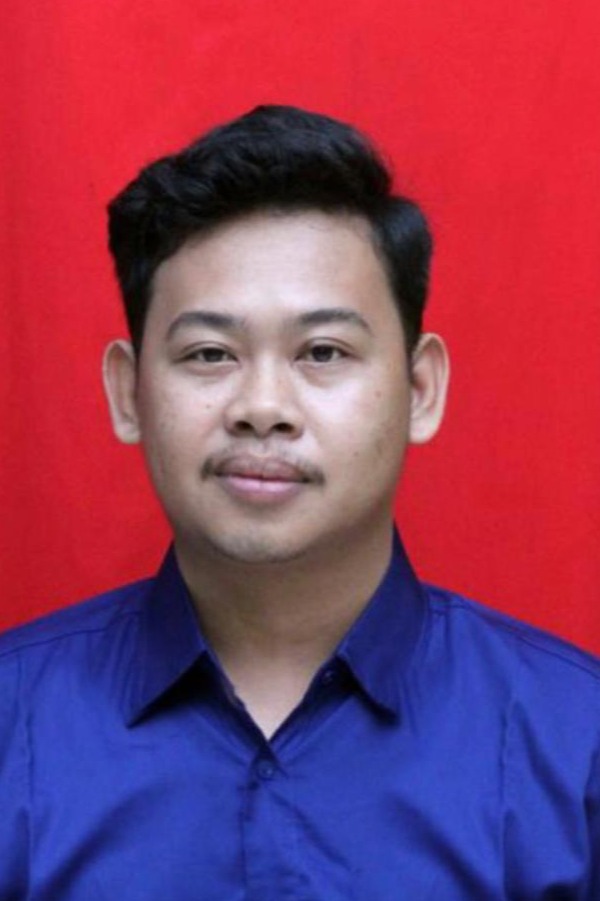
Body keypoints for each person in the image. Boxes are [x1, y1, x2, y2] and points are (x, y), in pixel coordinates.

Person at [1, 105, 598, 900]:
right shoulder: (14, 727)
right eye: (209, 353)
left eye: (322, 351)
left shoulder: (576, 746)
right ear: (128, 392)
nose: (262, 407)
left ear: (421, 389)